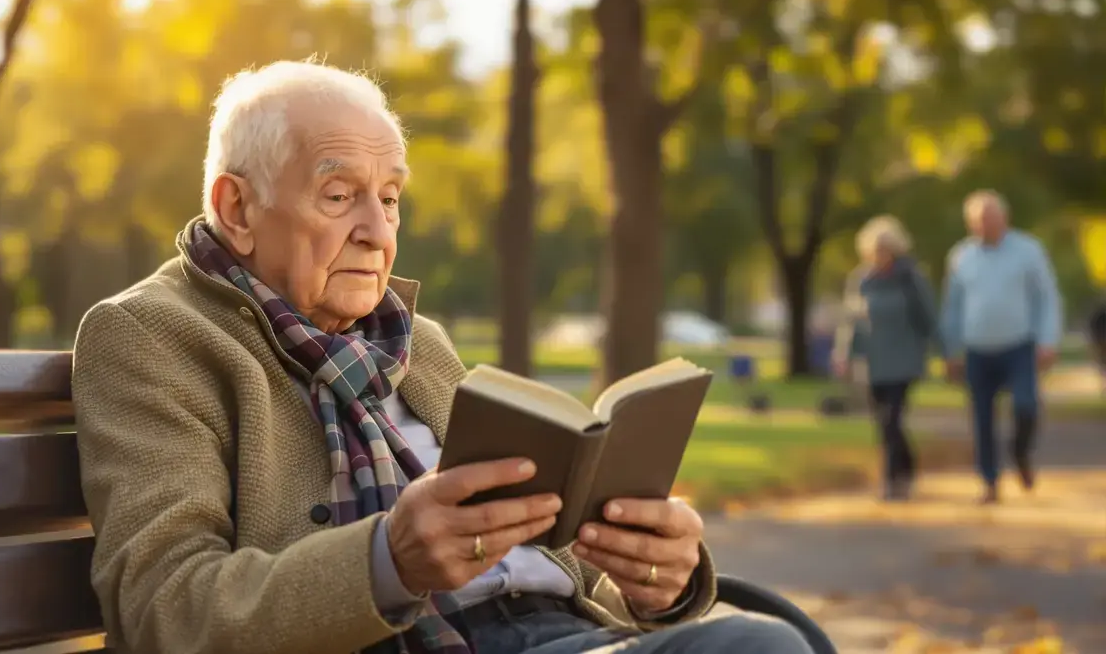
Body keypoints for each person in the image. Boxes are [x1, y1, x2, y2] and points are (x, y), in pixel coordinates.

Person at [71, 60, 812, 654]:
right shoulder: (149, 336)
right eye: (339, 195)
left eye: (390, 198)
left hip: (564, 633)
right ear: (236, 208)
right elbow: (162, 610)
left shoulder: (416, 342)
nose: (377, 230)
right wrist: (387, 561)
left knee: (766, 638)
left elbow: (548, 569)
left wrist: (657, 580)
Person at [940, 190, 1063, 504]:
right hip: (977, 349)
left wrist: (1047, 340)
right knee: (981, 417)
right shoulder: (960, 256)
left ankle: (1020, 452)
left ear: (1003, 218)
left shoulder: (1028, 250)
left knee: (1026, 405)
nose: (985, 225)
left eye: (990, 218)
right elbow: (952, 307)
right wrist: (951, 350)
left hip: (1018, 346)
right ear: (970, 224)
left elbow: (1046, 297)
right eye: (978, 220)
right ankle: (990, 481)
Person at [832, 216, 943, 501]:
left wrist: (945, 352)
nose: (879, 255)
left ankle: (891, 479)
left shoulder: (910, 278)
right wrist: (843, 354)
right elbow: (850, 321)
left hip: (904, 361)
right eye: (875, 250)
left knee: (892, 418)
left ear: (895, 249)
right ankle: (905, 466)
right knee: (883, 422)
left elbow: (928, 319)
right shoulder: (862, 280)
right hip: (873, 363)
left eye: (885, 249)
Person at [1088, 297, 1106, 396]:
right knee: (1103, 362)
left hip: (1099, 340)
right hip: (1100, 340)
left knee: (1103, 363)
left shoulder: (1098, 315)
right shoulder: (1100, 316)